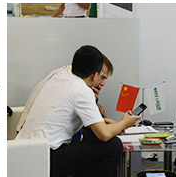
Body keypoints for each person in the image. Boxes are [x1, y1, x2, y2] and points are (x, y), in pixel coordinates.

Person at [16, 45, 139, 177]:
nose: (102, 83)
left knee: (91, 136)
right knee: (113, 145)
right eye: (102, 76)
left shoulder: (60, 74)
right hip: (46, 156)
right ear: (94, 75)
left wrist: (109, 123)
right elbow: (104, 134)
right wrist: (125, 122)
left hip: (23, 148)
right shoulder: (82, 91)